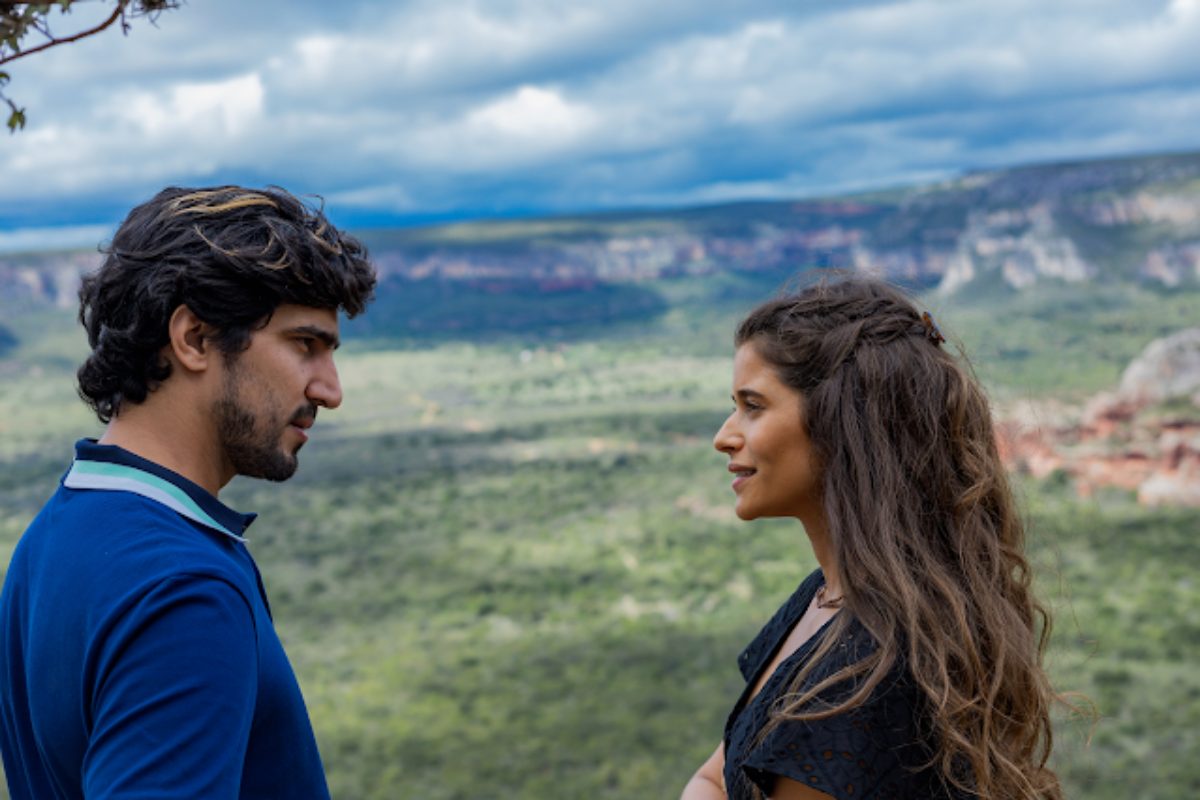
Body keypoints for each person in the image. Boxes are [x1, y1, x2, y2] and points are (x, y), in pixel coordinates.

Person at [0, 186, 376, 799]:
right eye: (305, 344)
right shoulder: (183, 592)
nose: (330, 390)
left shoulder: (55, 534)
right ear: (195, 338)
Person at [682, 278, 1063, 799]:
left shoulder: (861, 674)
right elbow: (715, 778)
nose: (724, 435)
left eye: (753, 406)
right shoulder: (824, 599)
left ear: (839, 423)